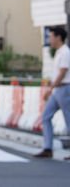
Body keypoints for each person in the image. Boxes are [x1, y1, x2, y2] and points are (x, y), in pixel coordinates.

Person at [34, 25, 70, 159]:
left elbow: (63, 72)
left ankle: (48, 148)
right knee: (46, 116)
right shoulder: (59, 52)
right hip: (58, 90)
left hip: (65, 89)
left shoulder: (65, 52)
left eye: (52, 36)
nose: (50, 39)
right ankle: (47, 148)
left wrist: (51, 88)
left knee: (69, 121)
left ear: (59, 37)